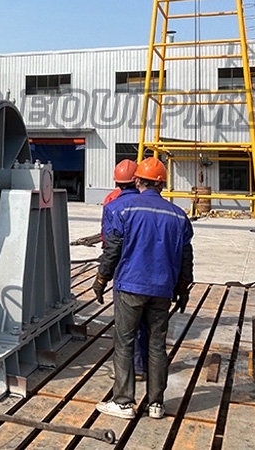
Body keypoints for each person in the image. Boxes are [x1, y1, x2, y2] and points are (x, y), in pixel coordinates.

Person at [93, 157, 194, 420]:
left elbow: (113, 249)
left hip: (130, 286)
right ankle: (156, 404)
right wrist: (183, 289)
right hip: (162, 289)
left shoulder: (123, 210)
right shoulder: (178, 215)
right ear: (162, 184)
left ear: (138, 181)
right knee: (157, 345)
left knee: (125, 342)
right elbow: (186, 257)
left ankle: (123, 402)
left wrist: (101, 278)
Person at [99, 159, 148, 380]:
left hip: (125, 268)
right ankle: (146, 365)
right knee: (148, 322)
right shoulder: (150, 202)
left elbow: (109, 241)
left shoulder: (112, 202)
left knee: (127, 323)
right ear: (136, 179)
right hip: (149, 266)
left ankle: (133, 368)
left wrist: (103, 275)